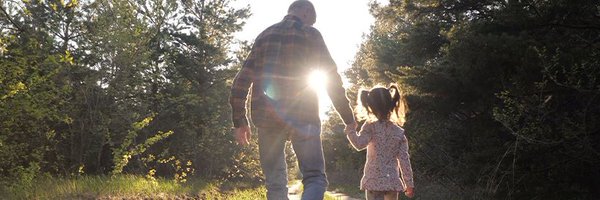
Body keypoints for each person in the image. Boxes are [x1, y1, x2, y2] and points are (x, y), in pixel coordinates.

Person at [229, 0, 357, 199]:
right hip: (303, 116)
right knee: (315, 177)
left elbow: (241, 80)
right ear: (306, 11)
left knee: (275, 182)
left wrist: (240, 120)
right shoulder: (311, 35)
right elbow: (332, 80)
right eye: (311, 21)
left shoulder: (264, 36)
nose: (311, 25)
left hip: (267, 118)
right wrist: (348, 118)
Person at [344, 84, 415, 200]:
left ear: (370, 106)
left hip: (373, 181)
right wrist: (409, 184)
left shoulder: (370, 127)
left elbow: (359, 144)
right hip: (391, 182)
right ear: (391, 104)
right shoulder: (398, 132)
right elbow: (404, 160)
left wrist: (350, 129)